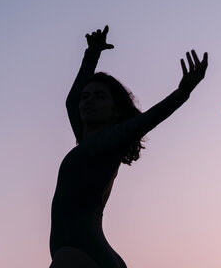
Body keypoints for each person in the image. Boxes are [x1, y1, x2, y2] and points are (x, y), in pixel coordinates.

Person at [49, 25, 209, 268]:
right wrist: (91, 55)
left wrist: (182, 93)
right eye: (86, 96)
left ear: (115, 112)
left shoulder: (110, 141)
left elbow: (146, 120)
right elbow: (72, 100)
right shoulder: (87, 142)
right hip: (84, 254)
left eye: (100, 96)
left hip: (83, 254)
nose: (88, 100)